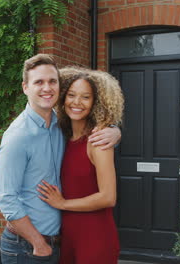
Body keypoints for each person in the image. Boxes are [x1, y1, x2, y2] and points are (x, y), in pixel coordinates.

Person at [0, 54, 122, 264]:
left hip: (69, 240)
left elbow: (107, 193)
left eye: (52, 81)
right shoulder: (18, 136)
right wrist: (38, 243)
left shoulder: (59, 128)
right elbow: (7, 200)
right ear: (25, 87)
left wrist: (115, 132)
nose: (47, 88)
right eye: (39, 82)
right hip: (29, 246)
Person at [37, 66, 124, 264]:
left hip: (96, 237)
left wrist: (63, 204)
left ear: (95, 103)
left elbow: (108, 197)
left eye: (86, 97)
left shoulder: (98, 141)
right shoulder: (62, 137)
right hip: (68, 236)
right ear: (62, 98)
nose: (77, 102)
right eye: (71, 95)